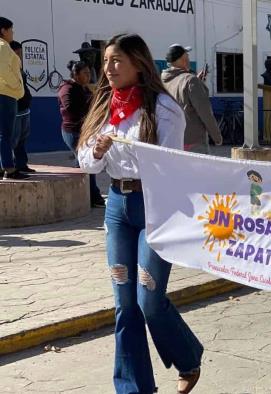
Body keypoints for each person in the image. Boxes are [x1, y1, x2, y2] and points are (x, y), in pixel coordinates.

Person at [77, 34, 203, 394]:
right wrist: (98, 151)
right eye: (105, 62)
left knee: (148, 299)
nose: (109, 68)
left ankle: (188, 357)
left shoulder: (164, 108)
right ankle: (133, 388)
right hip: (117, 205)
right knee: (123, 304)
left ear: (139, 63)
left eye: (116, 60)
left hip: (155, 207)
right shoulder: (105, 106)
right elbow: (85, 162)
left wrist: (142, 154)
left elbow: (172, 165)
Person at [58, 60, 105, 207]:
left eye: (89, 73)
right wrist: (89, 114)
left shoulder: (84, 89)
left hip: (85, 131)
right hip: (73, 132)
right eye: (85, 73)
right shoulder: (67, 89)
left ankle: (78, 196)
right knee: (88, 165)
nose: (88, 76)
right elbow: (69, 108)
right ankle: (94, 198)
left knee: (81, 164)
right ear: (75, 74)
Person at [161, 44, 222, 154]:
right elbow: (205, 113)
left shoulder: (163, 81)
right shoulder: (190, 81)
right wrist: (217, 137)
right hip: (193, 142)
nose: (188, 59)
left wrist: (198, 82)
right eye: (187, 56)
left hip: (172, 141)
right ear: (183, 59)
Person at [0, 17, 27, 180]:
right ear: (3, 30)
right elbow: (2, 69)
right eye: (11, 29)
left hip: (5, 93)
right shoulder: (3, 47)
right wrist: (16, 85)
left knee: (2, 133)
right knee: (6, 133)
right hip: (6, 94)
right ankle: (9, 169)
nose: (13, 32)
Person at [10, 40, 34, 174]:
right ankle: (8, 165)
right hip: (15, 109)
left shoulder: (19, 67)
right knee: (13, 139)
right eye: (17, 52)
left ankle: (21, 164)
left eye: (20, 52)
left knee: (22, 139)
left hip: (24, 109)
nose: (19, 55)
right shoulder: (7, 67)